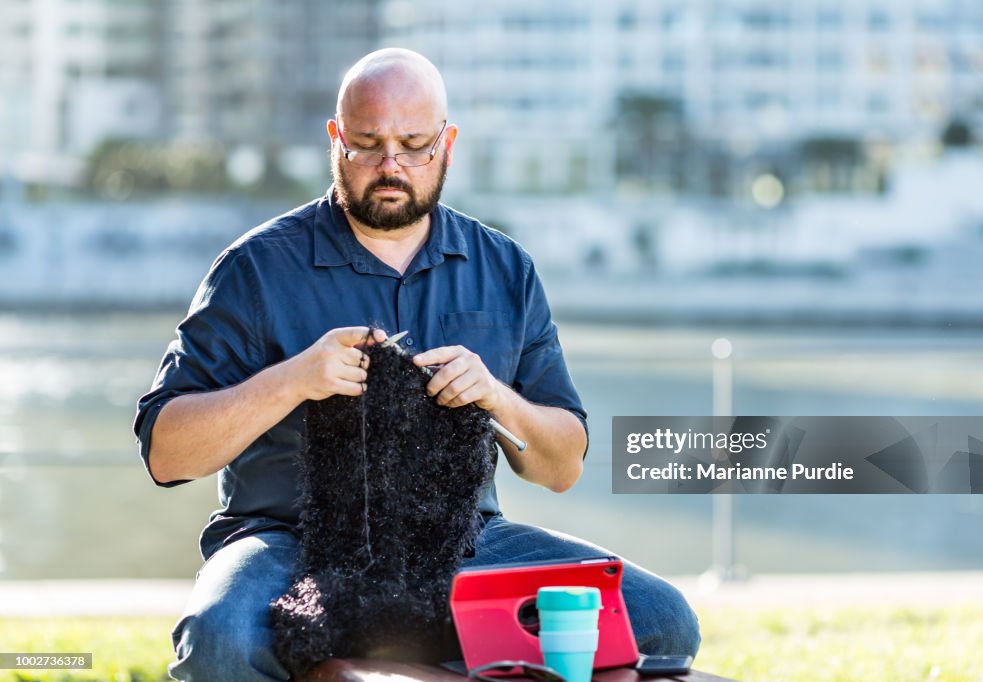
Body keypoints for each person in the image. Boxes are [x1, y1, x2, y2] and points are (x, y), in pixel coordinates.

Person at [134, 48, 700, 681]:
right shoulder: (255, 269)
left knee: (661, 616)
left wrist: (496, 398)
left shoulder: (504, 269)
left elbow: (563, 465)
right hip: (286, 540)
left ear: (448, 141)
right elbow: (166, 452)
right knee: (223, 639)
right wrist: (291, 380)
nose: (390, 165)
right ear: (335, 138)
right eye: (368, 144)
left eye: (413, 144)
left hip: (465, 543)